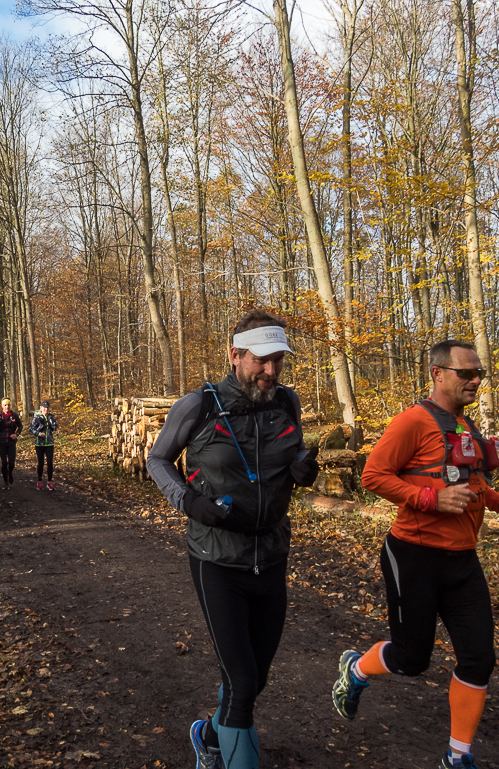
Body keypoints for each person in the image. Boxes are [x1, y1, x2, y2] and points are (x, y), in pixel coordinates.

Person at [331, 340, 499, 769]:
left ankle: (457, 756)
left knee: (479, 658)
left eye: (479, 373)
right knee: (412, 660)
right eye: (466, 373)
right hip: (414, 555)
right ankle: (355, 671)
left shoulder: (466, 427)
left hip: (463, 559)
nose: (475, 380)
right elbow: (373, 475)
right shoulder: (411, 422)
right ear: (438, 374)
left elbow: (474, 479)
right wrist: (429, 499)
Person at [146, 309, 320, 769]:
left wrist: (304, 468)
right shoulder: (198, 405)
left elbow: (291, 450)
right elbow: (158, 459)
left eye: (278, 360)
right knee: (242, 681)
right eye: (262, 361)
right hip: (216, 558)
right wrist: (187, 501)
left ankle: (208, 733)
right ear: (235, 355)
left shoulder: (288, 402)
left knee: (256, 677)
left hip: (272, 555)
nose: (271, 371)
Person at [0, 398, 23, 489]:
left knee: (11, 463)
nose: (7, 407)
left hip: (11, 442)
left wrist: (17, 434)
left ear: (10, 406)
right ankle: (6, 481)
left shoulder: (14, 415)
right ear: (2, 406)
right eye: (5, 405)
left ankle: (10, 472)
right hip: (2, 442)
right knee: (4, 463)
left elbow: (20, 426)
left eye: (8, 405)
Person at [30, 400, 59, 490]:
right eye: (44, 407)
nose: (46, 409)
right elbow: (31, 429)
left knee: (50, 463)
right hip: (40, 444)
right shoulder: (37, 418)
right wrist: (38, 434)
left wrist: (57, 430)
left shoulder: (51, 417)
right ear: (41, 408)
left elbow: (54, 425)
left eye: (47, 408)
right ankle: (39, 481)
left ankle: (49, 482)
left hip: (49, 443)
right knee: (41, 463)